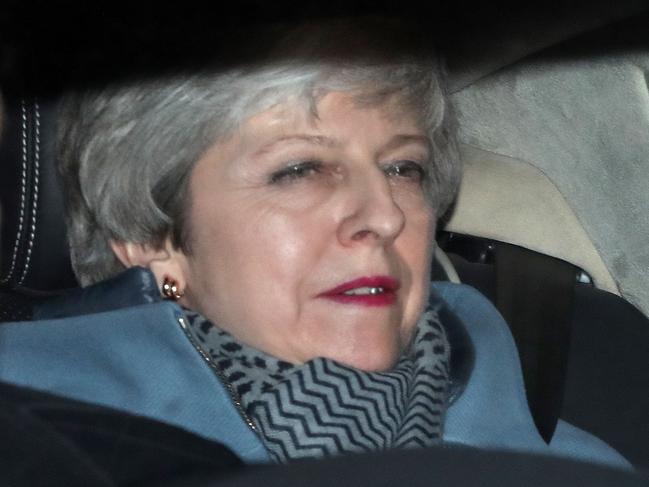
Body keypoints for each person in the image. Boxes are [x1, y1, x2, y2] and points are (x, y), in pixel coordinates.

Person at [0, 17, 630, 471]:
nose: (384, 215)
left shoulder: (583, 440)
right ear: (151, 236)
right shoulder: (39, 446)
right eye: (298, 170)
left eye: (402, 168)